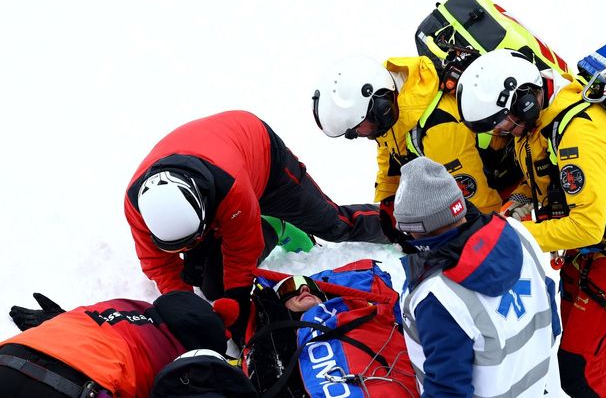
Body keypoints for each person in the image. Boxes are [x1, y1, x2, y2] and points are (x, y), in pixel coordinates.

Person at [456, 49, 606, 397]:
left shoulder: (577, 135)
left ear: (522, 101)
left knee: (580, 370)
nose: (501, 132)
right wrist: (521, 202)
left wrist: (510, 235)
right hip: (588, 253)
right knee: (579, 353)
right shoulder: (539, 123)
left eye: (501, 123)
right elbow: (543, 180)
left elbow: (587, 226)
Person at [124, 110, 389, 345]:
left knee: (335, 225)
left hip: (262, 158)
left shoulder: (231, 186)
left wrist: (238, 298)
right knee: (211, 286)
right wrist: (185, 307)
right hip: (217, 171)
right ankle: (261, 225)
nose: (186, 250)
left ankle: (398, 223)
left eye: (190, 242)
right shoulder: (137, 205)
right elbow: (159, 264)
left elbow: (241, 251)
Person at [393, 156, 559, 398]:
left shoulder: (438, 296)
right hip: (538, 387)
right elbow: (550, 305)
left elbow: (448, 391)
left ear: (417, 230)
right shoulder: (516, 231)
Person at [312, 55, 522, 240]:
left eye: (358, 128)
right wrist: (388, 198)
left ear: (379, 109)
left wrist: (467, 248)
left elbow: (478, 204)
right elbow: (389, 151)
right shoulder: (397, 102)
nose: (358, 134)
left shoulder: (439, 130)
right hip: (463, 176)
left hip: (495, 182)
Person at [1, 291, 236, 397]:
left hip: (11, 357)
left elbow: (94, 332)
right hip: (81, 386)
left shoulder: (122, 304)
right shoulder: (179, 360)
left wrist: (59, 321)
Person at [245, 273, 418, 398]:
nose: (304, 288)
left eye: (312, 286)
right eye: (289, 287)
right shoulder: (273, 334)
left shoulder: (360, 311)